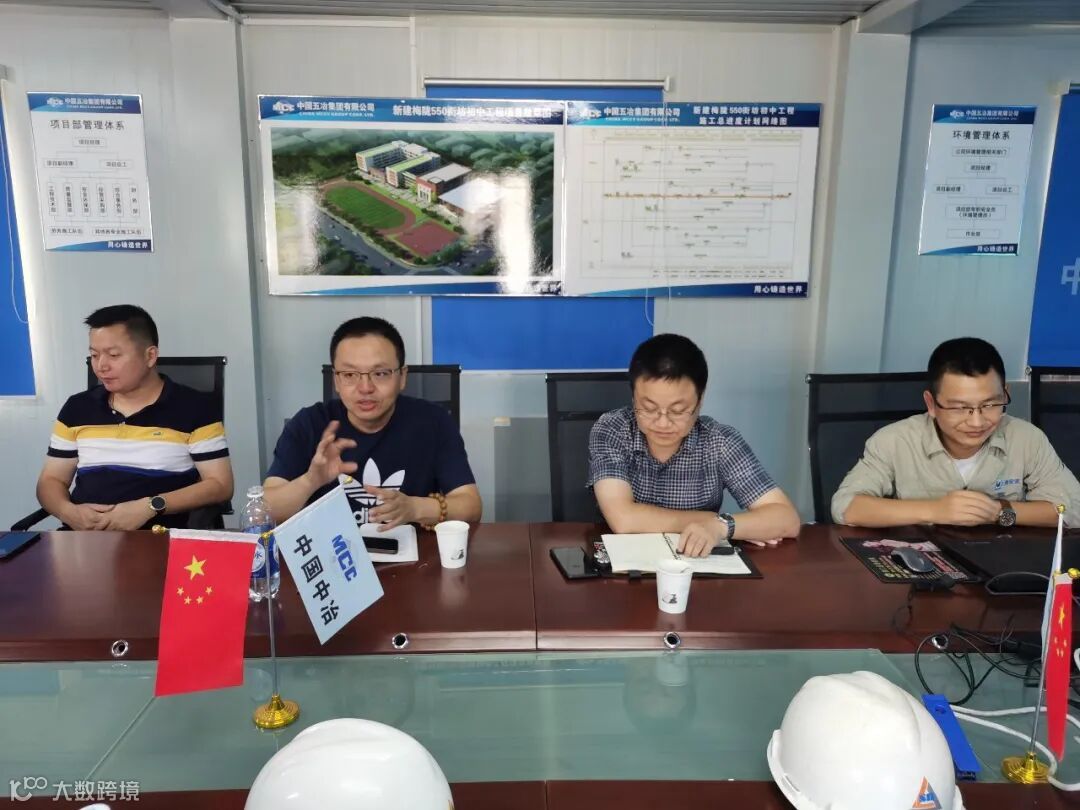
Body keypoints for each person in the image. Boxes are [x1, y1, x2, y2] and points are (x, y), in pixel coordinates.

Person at [588, 333, 800, 557]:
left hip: (695, 563)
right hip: (624, 565)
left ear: (700, 401)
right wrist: (716, 521)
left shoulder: (719, 441)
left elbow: (787, 519)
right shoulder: (613, 429)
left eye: (678, 411)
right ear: (633, 398)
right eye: (649, 408)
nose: (662, 423)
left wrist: (721, 527)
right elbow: (623, 519)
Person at [832, 337, 1080, 528]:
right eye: (960, 408)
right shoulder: (894, 441)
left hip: (1003, 562)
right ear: (931, 404)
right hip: (924, 567)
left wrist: (999, 511)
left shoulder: (1027, 439)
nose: (977, 421)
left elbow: (1074, 508)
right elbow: (846, 507)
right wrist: (935, 511)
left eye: (990, 404)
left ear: (1005, 393)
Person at [263, 316, 481, 529]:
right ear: (336, 380)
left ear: (402, 377)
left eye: (380, 373)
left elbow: (470, 506)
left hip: (413, 551)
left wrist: (415, 508)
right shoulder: (309, 424)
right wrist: (310, 480)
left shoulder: (433, 421)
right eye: (350, 374)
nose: (365, 388)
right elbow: (265, 511)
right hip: (330, 551)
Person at [36, 305, 234, 530]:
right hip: (84, 537)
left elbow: (220, 485)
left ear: (150, 356)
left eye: (114, 355)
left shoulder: (195, 408)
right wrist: (69, 513)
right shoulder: (77, 408)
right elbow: (51, 480)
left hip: (160, 537)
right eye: (94, 355)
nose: (101, 366)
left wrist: (150, 507)